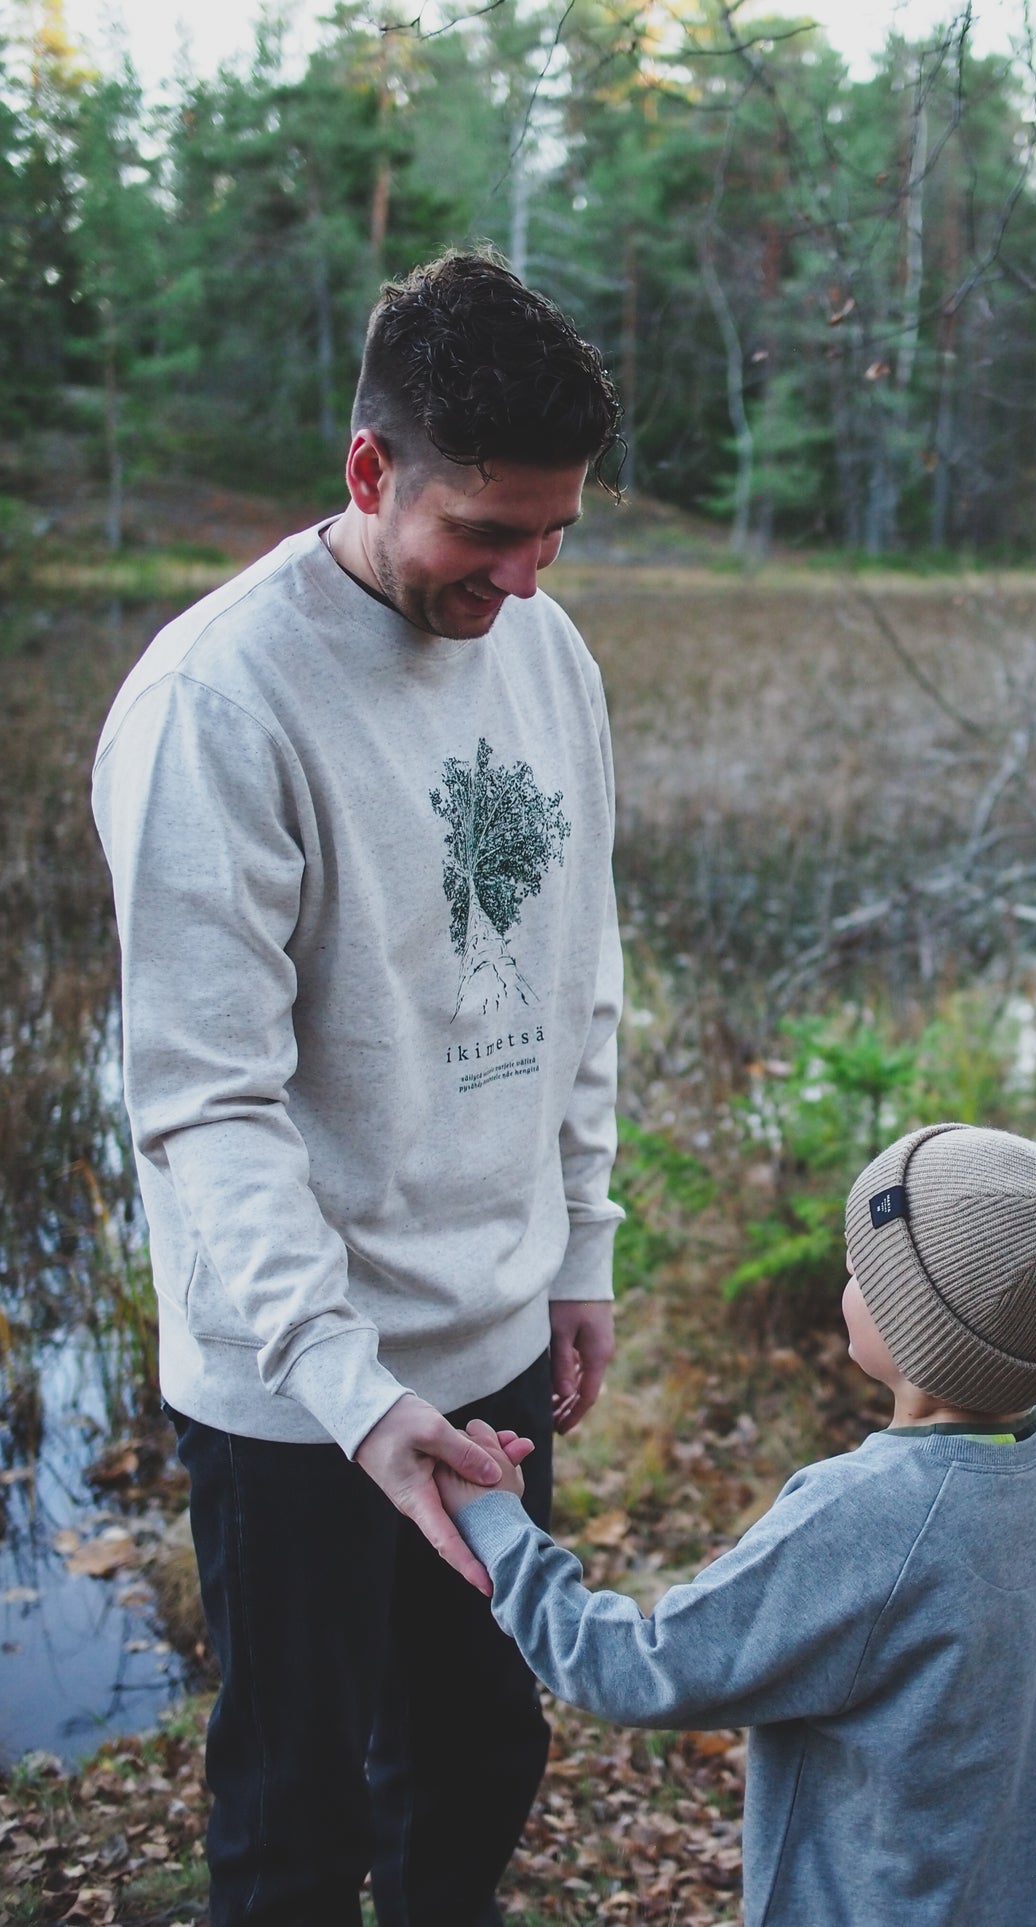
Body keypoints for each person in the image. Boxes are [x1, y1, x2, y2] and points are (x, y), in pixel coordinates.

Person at [91, 251, 626, 1927]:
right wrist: (349, 1389)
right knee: (294, 1821)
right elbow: (204, 1105)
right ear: (370, 471)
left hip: (492, 1342)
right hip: (294, 1391)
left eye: (556, 533)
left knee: (479, 1759)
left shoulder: (551, 659)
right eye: (488, 533)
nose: (528, 579)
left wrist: (580, 1243)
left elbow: (575, 965)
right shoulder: (217, 702)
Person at [441, 1123, 1036, 1927]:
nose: (847, 1267)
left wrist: (496, 1522)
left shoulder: (867, 1514)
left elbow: (640, 1667)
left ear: (915, 1331)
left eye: (865, 1267)